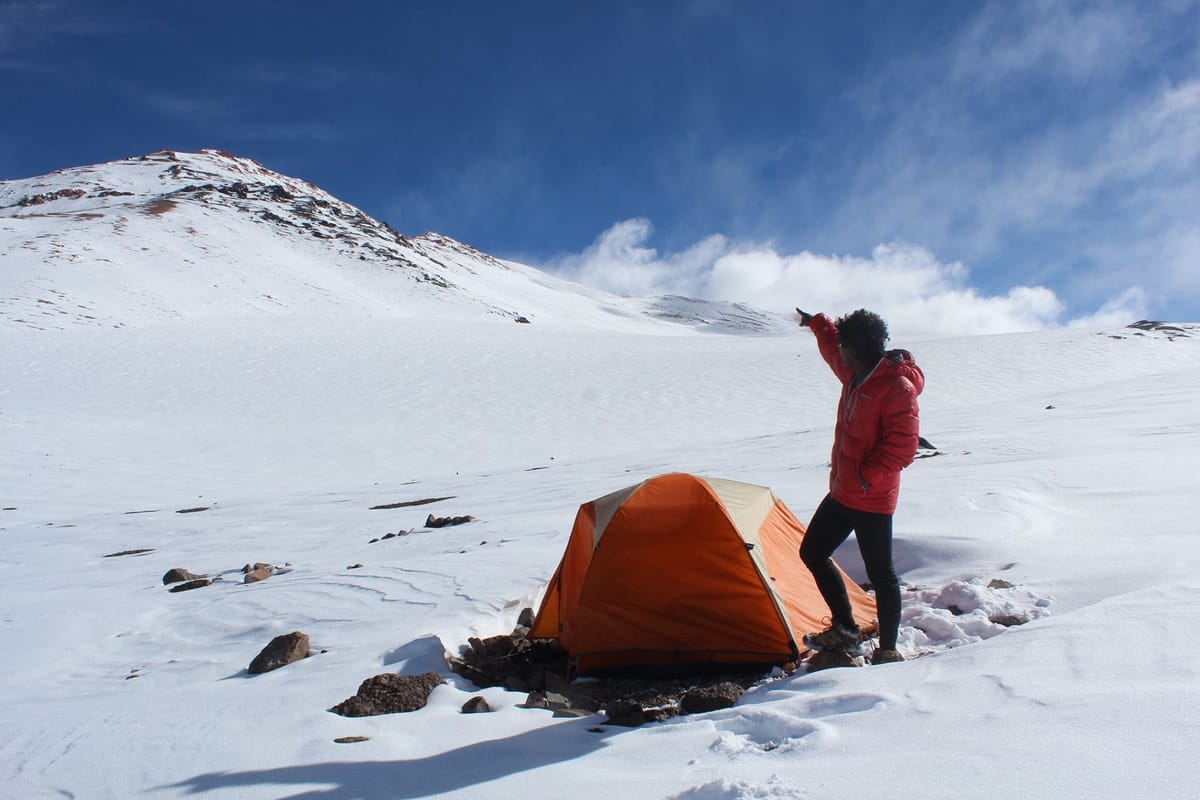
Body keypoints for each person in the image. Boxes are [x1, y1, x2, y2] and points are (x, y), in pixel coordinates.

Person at [794, 308, 924, 665]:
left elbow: (903, 446)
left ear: (856, 347)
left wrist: (866, 476)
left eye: (844, 343)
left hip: (872, 498)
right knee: (813, 552)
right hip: (843, 492)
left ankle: (888, 649)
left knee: (881, 573)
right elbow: (831, 351)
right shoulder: (854, 373)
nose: (840, 350)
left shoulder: (896, 387)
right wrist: (818, 324)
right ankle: (846, 629)